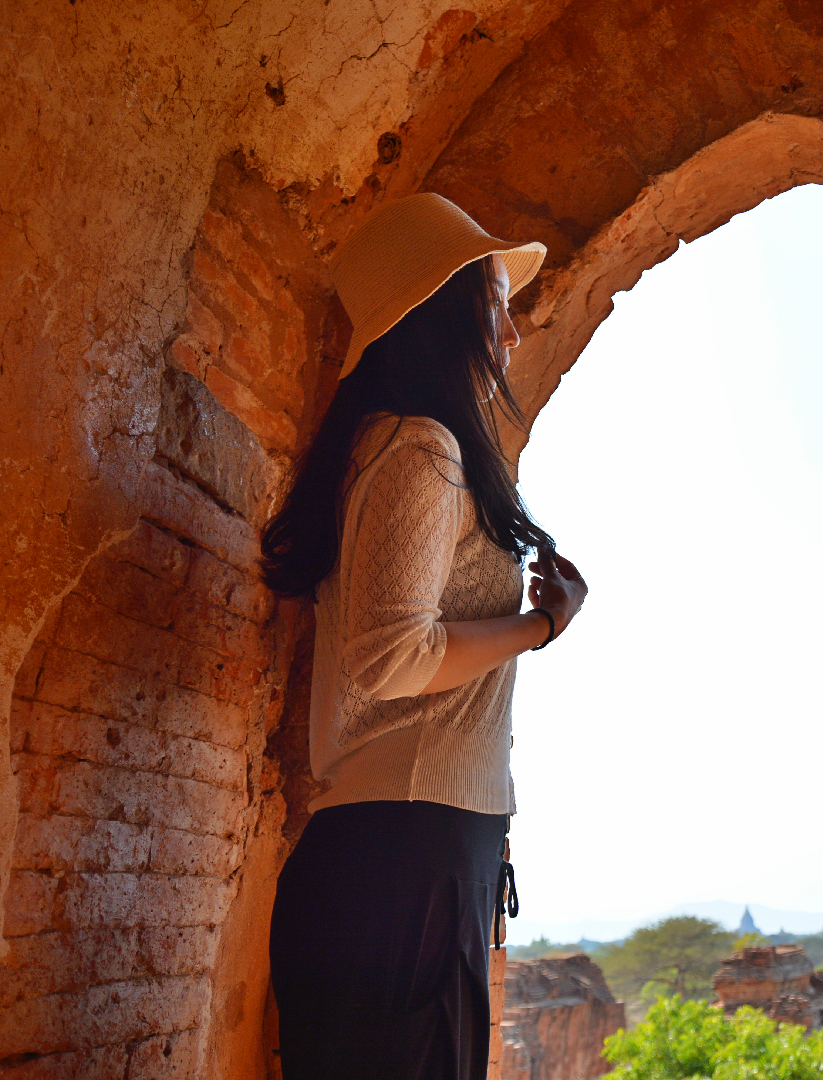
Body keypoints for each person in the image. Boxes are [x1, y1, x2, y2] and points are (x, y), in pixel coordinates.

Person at [259, 193, 588, 1080]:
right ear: (444, 311)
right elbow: (390, 655)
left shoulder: (418, 444)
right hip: (402, 858)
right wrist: (538, 625)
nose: (512, 336)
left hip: (412, 853)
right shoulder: (418, 446)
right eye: (496, 303)